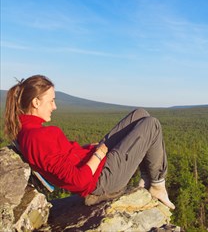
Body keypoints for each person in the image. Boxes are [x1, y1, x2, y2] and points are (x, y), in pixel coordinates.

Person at [3, 75, 175, 209]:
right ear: (35, 102)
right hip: (101, 181)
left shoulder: (29, 132)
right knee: (152, 125)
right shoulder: (38, 137)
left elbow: (65, 158)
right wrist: (99, 155)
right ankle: (157, 184)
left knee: (140, 114)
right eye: (51, 101)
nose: (54, 106)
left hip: (96, 167)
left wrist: (90, 149)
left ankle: (146, 179)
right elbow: (78, 181)